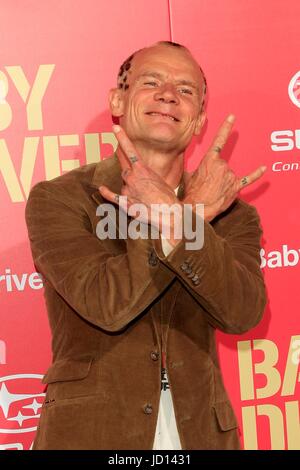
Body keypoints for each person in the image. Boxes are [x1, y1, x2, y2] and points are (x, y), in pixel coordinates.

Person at [25, 41, 267, 450]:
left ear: (200, 121)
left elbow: (243, 313)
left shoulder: (233, 214)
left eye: (186, 90)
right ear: (118, 100)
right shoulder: (61, 198)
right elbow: (108, 305)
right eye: (151, 81)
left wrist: (182, 216)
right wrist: (188, 215)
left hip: (200, 436)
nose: (169, 94)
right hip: (92, 433)